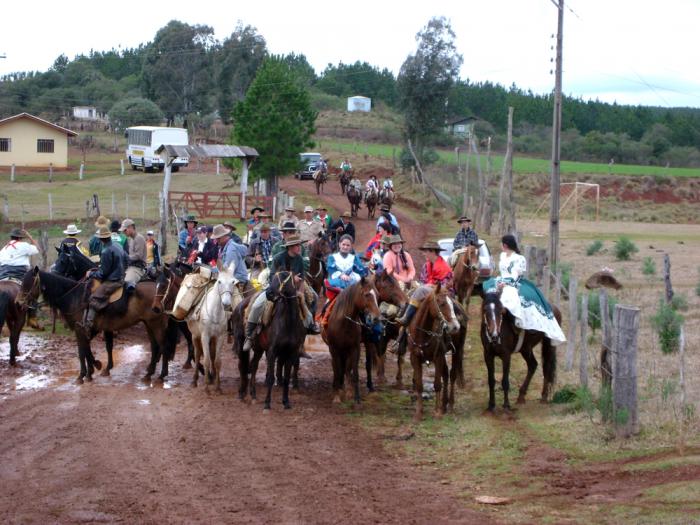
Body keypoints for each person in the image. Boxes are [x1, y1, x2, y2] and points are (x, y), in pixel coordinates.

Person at [242, 235, 321, 353]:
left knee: (314, 298)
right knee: (257, 305)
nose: (299, 247)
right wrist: (291, 278)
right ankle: (249, 335)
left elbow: (302, 277)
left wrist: (300, 292)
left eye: (299, 245)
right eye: (296, 245)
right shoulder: (278, 258)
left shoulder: (299, 259)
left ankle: (308, 328)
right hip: (276, 288)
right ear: (289, 247)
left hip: (295, 290)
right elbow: (273, 276)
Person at [483, 235, 566, 345]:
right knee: (488, 291)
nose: (501, 246)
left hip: (514, 282)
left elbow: (515, 275)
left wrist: (506, 283)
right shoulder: (503, 255)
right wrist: (499, 282)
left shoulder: (519, 259)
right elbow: (503, 271)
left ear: (505, 245)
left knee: (510, 296)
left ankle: (516, 323)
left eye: (502, 244)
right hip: (501, 280)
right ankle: (491, 322)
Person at [393, 240, 454, 354]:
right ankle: (401, 339)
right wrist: (421, 285)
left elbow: (445, 286)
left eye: (426, 252)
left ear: (433, 252)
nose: (424, 254)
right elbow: (422, 280)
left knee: (420, 290)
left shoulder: (443, 267)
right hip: (428, 291)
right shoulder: (427, 265)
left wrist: (431, 286)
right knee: (410, 294)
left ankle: (406, 318)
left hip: (442, 294)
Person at [80, 226, 125, 334]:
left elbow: (103, 273)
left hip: (112, 281)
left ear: (101, 239)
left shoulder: (106, 251)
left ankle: (87, 327)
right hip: (121, 277)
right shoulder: (118, 246)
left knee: (93, 299)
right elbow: (126, 259)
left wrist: (91, 273)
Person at [0, 228, 41, 329]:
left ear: (12, 237)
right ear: (20, 238)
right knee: (35, 285)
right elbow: (38, 248)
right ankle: (32, 317)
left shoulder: (4, 248)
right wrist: (29, 236)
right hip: (19, 272)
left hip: (3, 273)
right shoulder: (24, 245)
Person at [211, 224, 250, 291]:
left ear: (225, 236)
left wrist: (213, 270)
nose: (216, 240)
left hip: (237, 280)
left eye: (218, 238)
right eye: (216, 238)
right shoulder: (223, 247)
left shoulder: (231, 250)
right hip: (231, 278)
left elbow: (227, 269)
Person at [120, 219, 147, 289]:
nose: (123, 232)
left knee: (127, 282)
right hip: (131, 266)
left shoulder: (139, 238)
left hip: (137, 268)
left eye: (125, 230)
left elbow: (138, 256)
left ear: (131, 227)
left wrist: (126, 257)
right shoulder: (131, 239)